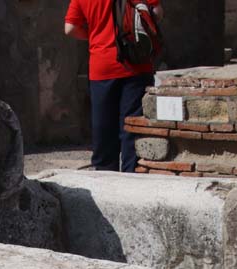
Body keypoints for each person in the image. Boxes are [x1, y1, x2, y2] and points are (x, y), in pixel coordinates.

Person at [64, 0, 163, 173]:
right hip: (135, 65)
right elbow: (157, 12)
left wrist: (95, 35)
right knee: (132, 128)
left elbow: (70, 28)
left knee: (103, 129)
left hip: (101, 66)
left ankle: (105, 176)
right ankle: (132, 176)